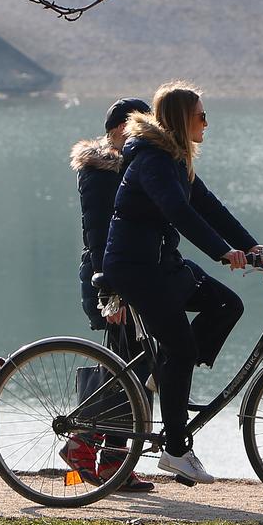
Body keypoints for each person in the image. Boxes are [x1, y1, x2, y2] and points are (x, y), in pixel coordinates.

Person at [102, 82, 263, 484]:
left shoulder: (175, 160)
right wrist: (222, 252)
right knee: (181, 345)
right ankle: (176, 450)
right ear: (180, 119)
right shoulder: (153, 161)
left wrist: (252, 246)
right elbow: (179, 212)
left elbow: (209, 207)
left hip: (162, 264)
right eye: (201, 116)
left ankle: (166, 376)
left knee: (227, 305)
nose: (207, 123)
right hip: (136, 269)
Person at [67, 98, 155, 493]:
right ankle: (84, 444)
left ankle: (111, 462)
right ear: (122, 127)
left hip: (130, 280)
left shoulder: (132, 167)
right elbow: (99, 236)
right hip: (110, 283)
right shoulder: (101, 171)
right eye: (142, 124)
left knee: (134, 369)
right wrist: (112, 294)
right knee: (126, 370)